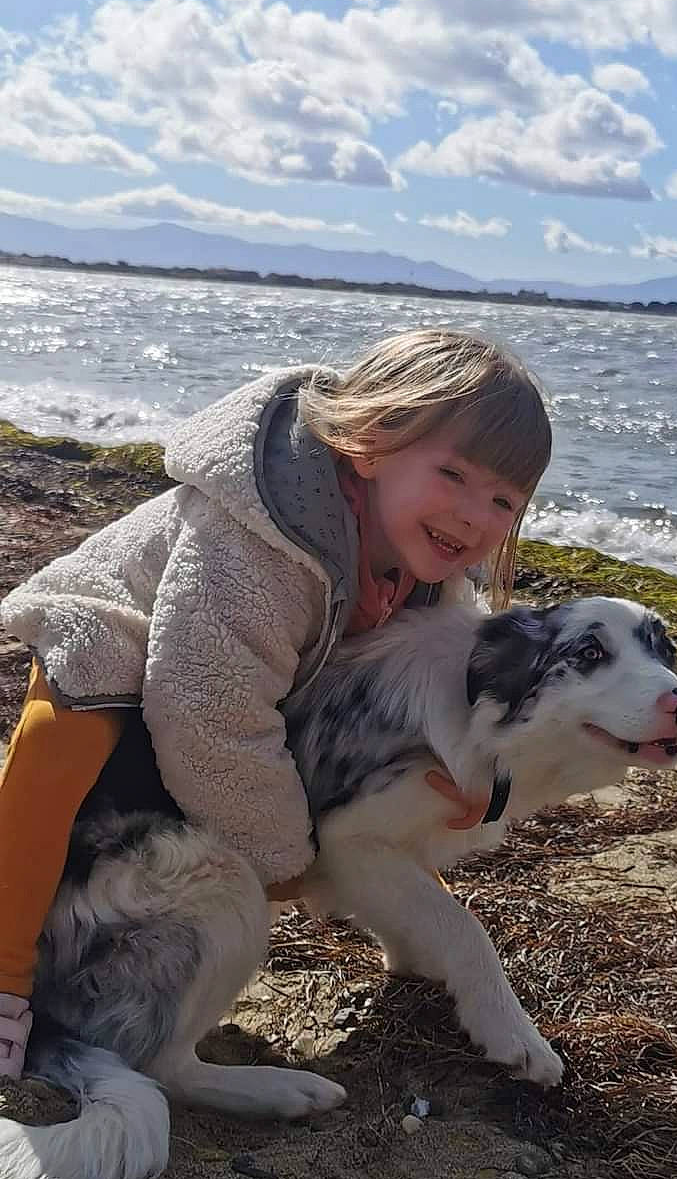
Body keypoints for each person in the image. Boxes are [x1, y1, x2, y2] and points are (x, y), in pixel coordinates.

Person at [0, 327, 551, 1080]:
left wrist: (482, 790)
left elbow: (424, 708)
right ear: (370, 444)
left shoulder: (423, 563)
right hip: (114, 636)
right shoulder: (260, 538)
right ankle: (3, 978)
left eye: (502, 499)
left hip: (246, 676)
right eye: (452, 474)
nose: (472, 516)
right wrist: (287, 862)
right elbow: (209, 711)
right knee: (58, 744)